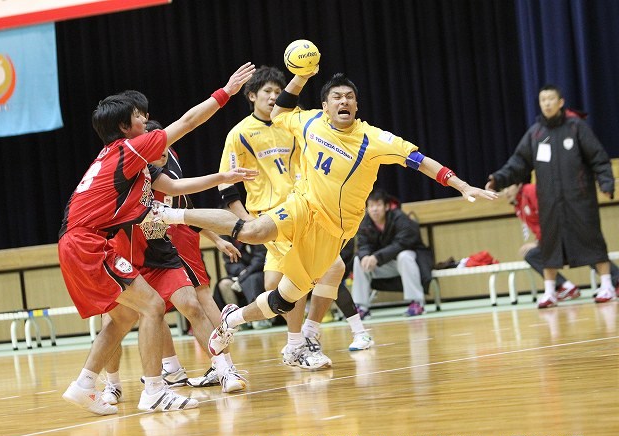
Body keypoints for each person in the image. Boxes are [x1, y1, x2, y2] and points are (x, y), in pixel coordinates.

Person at [149, 68, 497, 357]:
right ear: (325, 106)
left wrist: (461, 184)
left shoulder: (374, 139)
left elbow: (420, 160)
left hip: (333, 231)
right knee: (253, 231)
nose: (344, 101)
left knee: (285, 297)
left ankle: (233, 321)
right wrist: (300, 76)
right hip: (300, 205)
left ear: (357, 105)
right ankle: (171, 215)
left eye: (350, 97)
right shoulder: (309, 121)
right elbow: (281, 112)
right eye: (337, 97)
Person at [58, 62, 255, 415]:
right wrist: (226, 92)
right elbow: (188, 122)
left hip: (77, 243)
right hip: (90, 243)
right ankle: (154, 390)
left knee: (122, 318)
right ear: (125, 127)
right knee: (151, 307)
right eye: (139, 116)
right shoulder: (129, 149)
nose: (146, 120)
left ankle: (84, 384)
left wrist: (222, 177)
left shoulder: (119, 160)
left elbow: (176, 187)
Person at [215, 65, 371, 365]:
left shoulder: (293, 121)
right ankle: (300, 343)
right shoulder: (240, 134)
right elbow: (227, 187)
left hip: (305, 207)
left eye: (278, 91)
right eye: (267, 91)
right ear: (251, 96)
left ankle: (298, 334)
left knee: (281, 283)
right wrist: (248, 224)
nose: (274, 96)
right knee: (320, 270)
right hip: (272, 216)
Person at [100, 118, 251, 399]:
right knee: (114, 321)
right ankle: (113, 384)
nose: (163, 149)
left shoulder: (163, 169)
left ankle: (224, 369)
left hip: (159, 247)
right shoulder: (118, 171)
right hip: (122, 253)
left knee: (192, 304)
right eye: (155, 143)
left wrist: (222, 179)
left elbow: (183, 198)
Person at [486, 84, 616, 307]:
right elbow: (518, 163)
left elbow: (598, 158)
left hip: (580, 199)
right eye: (542, 100)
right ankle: (550, 292)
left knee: (592, 240)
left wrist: (606, 182)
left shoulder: (576, 127)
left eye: (550, 99)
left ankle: (607, 285)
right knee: (550, 245)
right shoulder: (536, 133)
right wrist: (497, 179)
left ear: (560, 102)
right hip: (549, 202)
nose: (546, 103)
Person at [503, 182, 619, 307]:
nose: (505, 192)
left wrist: (539, 242)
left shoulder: (530, 190)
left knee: (585, 249)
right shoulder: (517, 205)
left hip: (567, 230)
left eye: (508, 187)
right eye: (503, 189)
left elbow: (549, 214)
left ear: (519, 184)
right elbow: (538, 227)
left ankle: (617, 280)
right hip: (551, 239)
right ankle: (565, 287)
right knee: (532, 255)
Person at [351, 188, 434, 317]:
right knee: (359, 260)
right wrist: (365, 256)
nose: (374, 209)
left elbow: (401, 244)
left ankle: (417, 303)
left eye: (378, 205)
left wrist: (377, 257)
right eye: (371, 206)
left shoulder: (400, 218)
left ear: (387, 206)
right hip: (385, 264)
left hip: (410, 263)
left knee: (404, 256)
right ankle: (361, 307)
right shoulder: (365, 222)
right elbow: (363, 245)